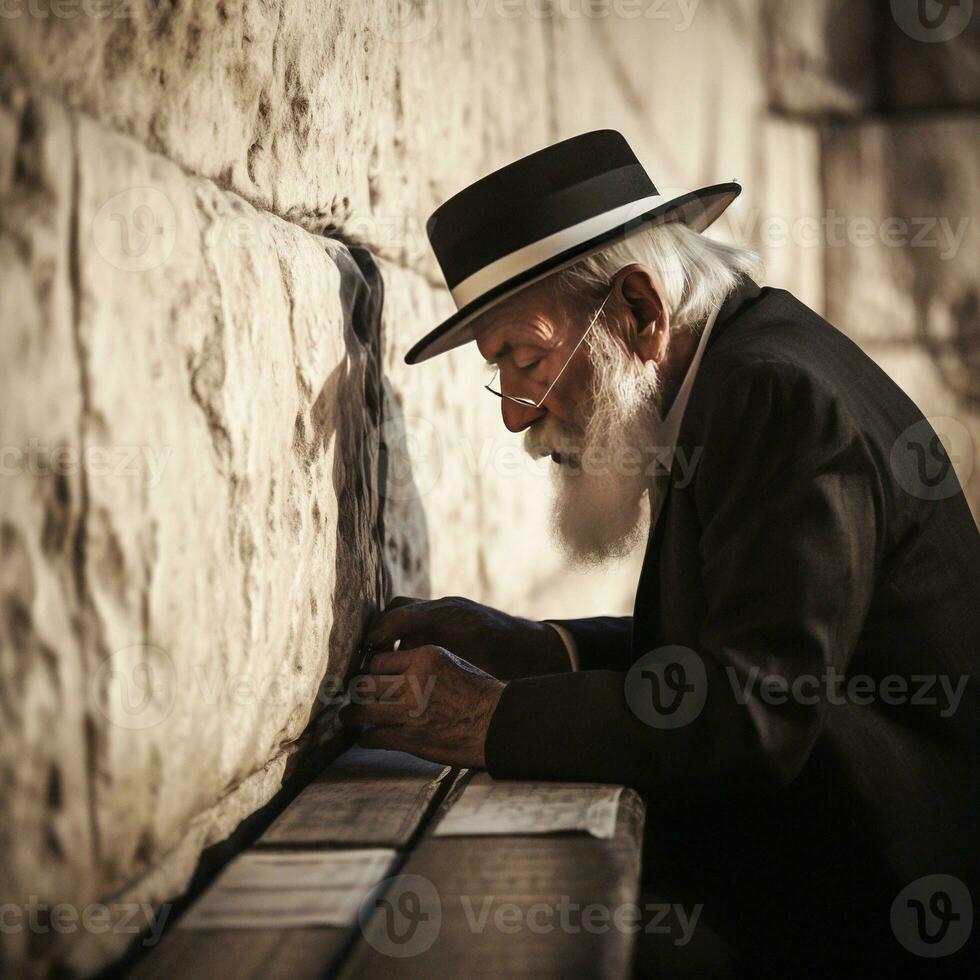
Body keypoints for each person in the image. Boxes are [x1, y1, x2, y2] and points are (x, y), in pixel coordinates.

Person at [340, 131, 979, 977]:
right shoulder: (735, 371)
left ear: (638, 311)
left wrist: (490, 717)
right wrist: (541, 651)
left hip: (881, 905)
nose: (516, 416)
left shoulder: (773, 394)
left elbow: (753, 715)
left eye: (526, 360)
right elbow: (729, 653)